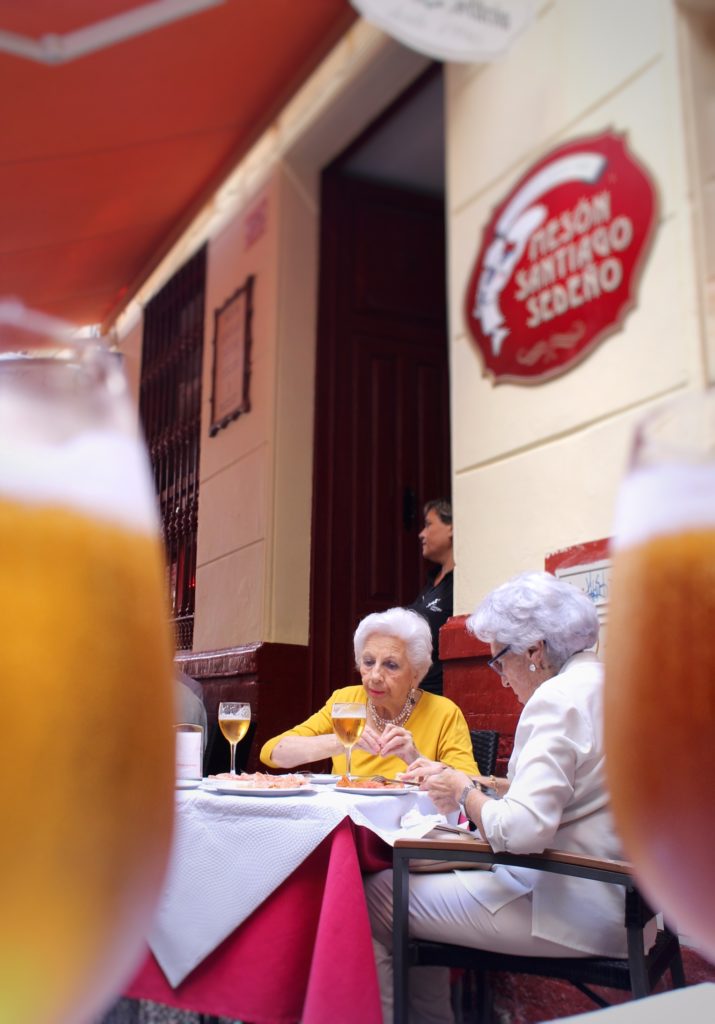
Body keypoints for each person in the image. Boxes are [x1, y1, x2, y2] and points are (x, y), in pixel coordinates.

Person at [366, 571, 626, 1024]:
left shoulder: (555, 699)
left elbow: (522, 832)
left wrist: (462, 791)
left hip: (569, 907)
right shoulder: (612, 684)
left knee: (376, 894)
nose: (502, 678)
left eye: (499, 660)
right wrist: (492, 785)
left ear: (534, 651)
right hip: (629, 902)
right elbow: (588, 786)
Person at [260, 607, 477, 778]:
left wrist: (415, 758)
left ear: (415, 673)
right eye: (369, 662)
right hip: (348, 821)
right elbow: (272, 752)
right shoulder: (345, 702)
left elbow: (470, 784)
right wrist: (341, 741)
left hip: (410, 827)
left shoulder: (443, 712)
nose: (374, 676)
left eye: (391, 665)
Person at [409, 499, 454, 695]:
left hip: (438, 697)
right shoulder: (431, 581)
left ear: (452, 527)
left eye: (428, 525)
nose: (421, 534)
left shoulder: (461, 583)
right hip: (413, 695)